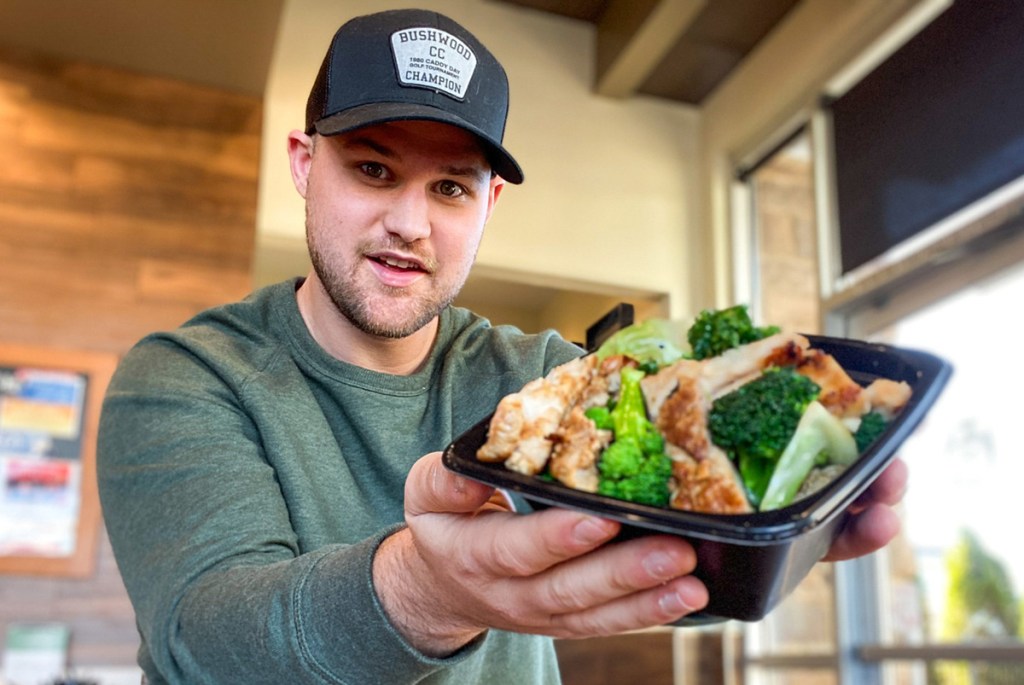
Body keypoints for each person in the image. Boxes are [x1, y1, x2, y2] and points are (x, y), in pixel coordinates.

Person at [97, 8, 908, 685]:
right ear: (306, 166)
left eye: (449, 186)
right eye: (373, 169)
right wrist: (430, 588)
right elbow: (203, 641)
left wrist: (779, 525)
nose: (410, 224)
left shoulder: (544, 380)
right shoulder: (187, 376)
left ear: (491, 202)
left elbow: (673, 528)